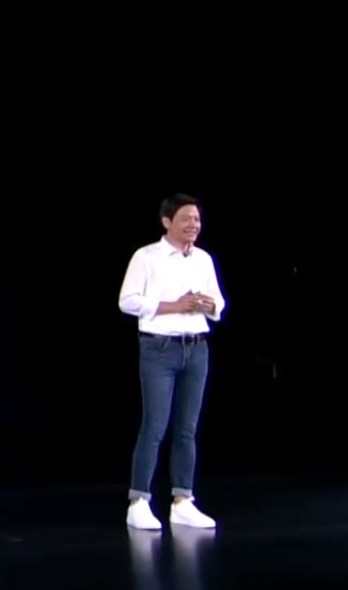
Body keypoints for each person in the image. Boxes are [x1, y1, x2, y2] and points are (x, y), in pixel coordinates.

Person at [118, 193, 225, 531]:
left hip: (196, 348)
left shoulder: (203, 259)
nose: (193, 224)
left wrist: (208, 305)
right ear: (167, 222)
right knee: (154, 426)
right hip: (159, 349)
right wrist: (173, 306)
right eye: (186, 219)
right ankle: (139, 501)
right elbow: (128, 301)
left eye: (197, 219)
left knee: (187, 429)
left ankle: (183, 500)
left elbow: (219, 304)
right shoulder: (146, 257)